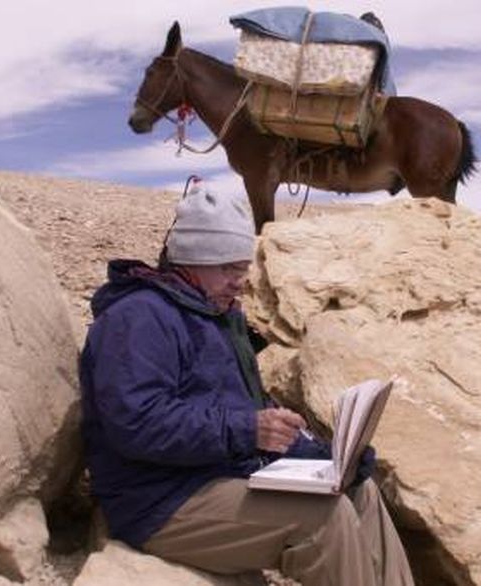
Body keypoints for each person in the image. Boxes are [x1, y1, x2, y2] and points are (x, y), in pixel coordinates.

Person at [78, 181, 414, 586]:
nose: (240, 281)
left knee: (362, 493)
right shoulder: (139, 318)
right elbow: (137, 423)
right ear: (193, 260)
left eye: (242, 267)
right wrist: (248, 430)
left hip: (215, 476)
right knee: (323, 518)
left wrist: (329, 459)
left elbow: (245, 415)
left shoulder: (214, 315)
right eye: (229, 268)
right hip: (158, 500)